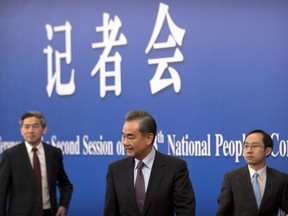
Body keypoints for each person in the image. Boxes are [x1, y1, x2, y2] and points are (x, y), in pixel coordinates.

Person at [104, 110, 196, 216]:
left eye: (130, 137)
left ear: (149, 138)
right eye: (123, 136)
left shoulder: (175, 168)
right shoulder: (115, 170)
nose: (125, 142)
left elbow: (186, 211)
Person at [0, 111, 73, 216]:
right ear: (21, 130)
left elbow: (65, 184)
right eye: (26, 127)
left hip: (49, 212)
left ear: (44, 130)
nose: (30, 130)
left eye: (35, 126)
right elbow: (2, 192)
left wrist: (63, 205)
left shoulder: (54, 153)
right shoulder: (10, 155)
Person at [216, 129, 288, 216]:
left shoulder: (281, 179)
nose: (249, 150)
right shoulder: (231, 178)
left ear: (267, 151)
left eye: (254, 146)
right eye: (246, 146)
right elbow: (222, 212)